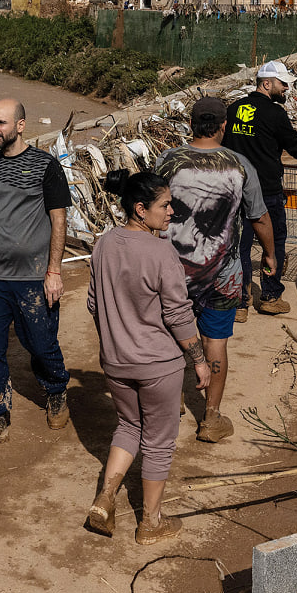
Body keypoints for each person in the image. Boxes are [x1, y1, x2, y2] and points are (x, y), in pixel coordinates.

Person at [86, 171, 211, 544]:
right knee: (158, 440)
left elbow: (94, 303)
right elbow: (177, 313)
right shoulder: (160, 252)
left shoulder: (103, 244)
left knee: (128, 426)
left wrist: (116, 336)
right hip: (157, 364)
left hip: (116, 361)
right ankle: (150, 522)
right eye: (165, 205)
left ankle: (106, 497)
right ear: (140, 209)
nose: (172, 211)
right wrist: (199, 360)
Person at [0, 98, 73, 454]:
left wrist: (54, 271)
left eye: (1, 123)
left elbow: (58, 219)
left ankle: (55, 391)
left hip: (35, 276)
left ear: (20, 126)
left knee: (41, 343)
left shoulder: (45, 166)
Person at [159, 96, 277, 444]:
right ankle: (210, 419)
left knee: (169, 336)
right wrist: (270, 255)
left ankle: (172, 401)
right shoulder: (240, 166)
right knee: (216, 342)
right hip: (223, 275)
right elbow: (258, 218)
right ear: (223, 126)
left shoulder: (168, 161)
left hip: (172, 273)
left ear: (190, 125)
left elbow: (149, 213)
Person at [223, 61, 297, 321]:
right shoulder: (274, 113)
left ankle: (240, 303)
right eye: (282, 83)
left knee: (240, 246)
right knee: (274, 241)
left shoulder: (233, 109)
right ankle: (269, 297)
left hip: (235, 188)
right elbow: (294, 145)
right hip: (266, 189)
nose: (286, 88)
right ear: (266, 83)